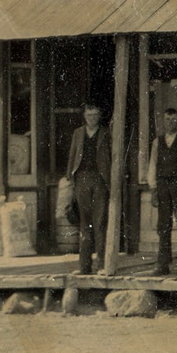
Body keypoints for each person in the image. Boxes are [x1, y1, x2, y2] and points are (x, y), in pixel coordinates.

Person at [144, 106, 177, 275]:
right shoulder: (156, 142)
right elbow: (152, 165)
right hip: (162, 186)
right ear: (163, 121)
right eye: (167, 119)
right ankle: (163, 264)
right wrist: (153, 189)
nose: (170, 122)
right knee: (163, 225)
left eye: (174, 119)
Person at [65, 103, 113, 275]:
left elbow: (112, 157)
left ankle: (101, 265)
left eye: (95, 115)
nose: (92, 118)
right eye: (89, 115)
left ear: (99, 116)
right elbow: (72, 156)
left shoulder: (106, 133)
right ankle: (84, 266)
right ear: (84, 116)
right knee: (85, 224)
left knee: (100, 222)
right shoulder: (78, 133)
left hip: (99, 180)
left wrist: (111, 180)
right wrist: (70, 179)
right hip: (82, 179)